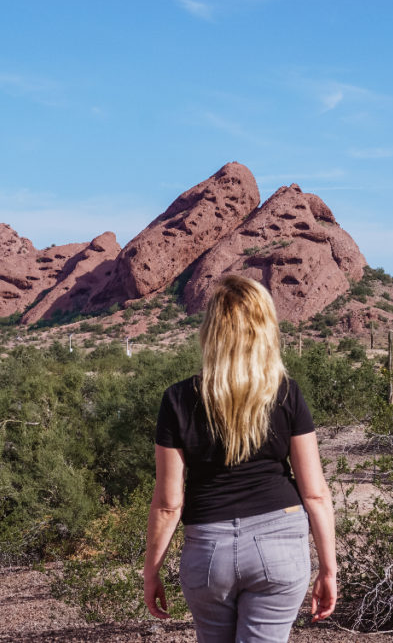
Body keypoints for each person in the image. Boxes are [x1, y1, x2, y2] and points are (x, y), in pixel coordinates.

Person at [143, 275, 337, 643]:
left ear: (211, 331)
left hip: (207, 551)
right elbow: (315, 494)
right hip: (279, 545)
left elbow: (169, 504)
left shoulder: (178, 399)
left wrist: (152, 570)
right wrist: (329, 569)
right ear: (265, 329)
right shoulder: (287, 393)